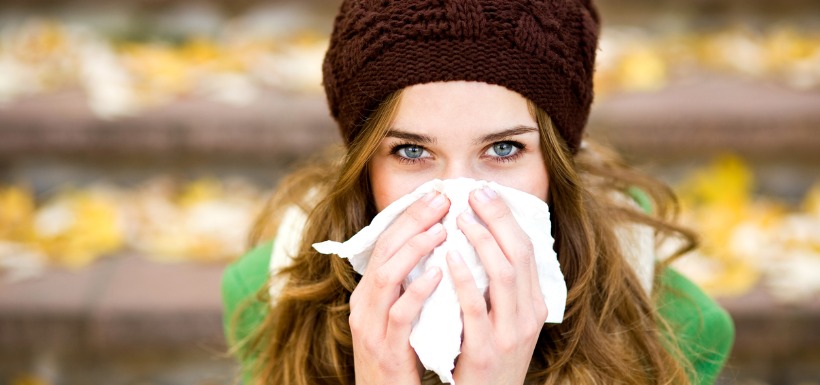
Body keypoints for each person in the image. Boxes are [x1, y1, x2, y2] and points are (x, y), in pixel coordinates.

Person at [222, 1, 734, 384]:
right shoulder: (272, 299)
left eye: (505, 149)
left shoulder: (672, 327)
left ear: (555, 162)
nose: (459, 196)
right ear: (363, 166)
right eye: (412, 153)